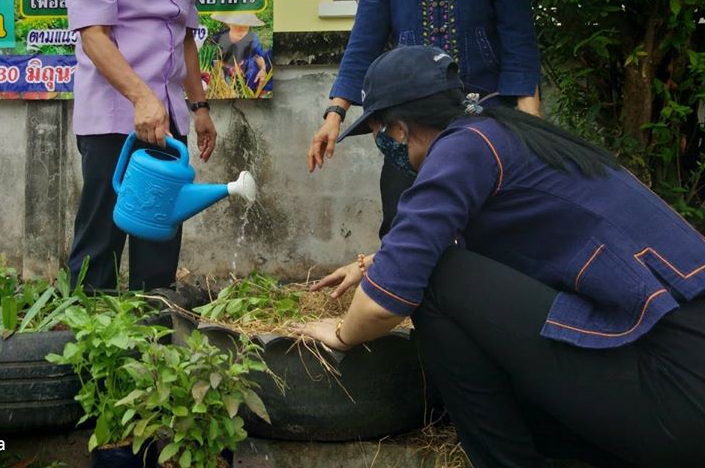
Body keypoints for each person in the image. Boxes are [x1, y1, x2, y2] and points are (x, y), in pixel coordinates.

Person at [295, 45, 705, 468]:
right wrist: (371, 264)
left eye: (380, 132)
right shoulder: (501, 133)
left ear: (399, 129)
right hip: (684, 372)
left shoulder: (463, 149)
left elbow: (388, 299)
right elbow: (438, 244)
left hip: (674, 391)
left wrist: (342, 333)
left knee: (435, 280)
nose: (385, 145)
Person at [308, 0, 542, 238]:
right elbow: (362, 48)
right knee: (406, 223)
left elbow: (519, 44)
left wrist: (530, 122)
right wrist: (334, 115)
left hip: (487, 115)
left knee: (488, 226)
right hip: (413, 124)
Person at [65, 0, 217, 291]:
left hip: (167, 119)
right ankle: (90, 327)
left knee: (159, 233)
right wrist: (141, 98)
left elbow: (184, 36)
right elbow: (94, 35)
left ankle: (152, 327)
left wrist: (200, 107)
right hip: (114, 117)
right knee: (101, 238)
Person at [208, 12, 271, 93]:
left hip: (245, 71)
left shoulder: (252, 38)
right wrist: (222, 79)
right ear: (228, 24)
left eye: (246, 25)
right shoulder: (219, 38)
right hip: (225, 72)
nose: (242, 29)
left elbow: (257, 56)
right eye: (237, 24)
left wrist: (263, 69)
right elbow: (215, 61)